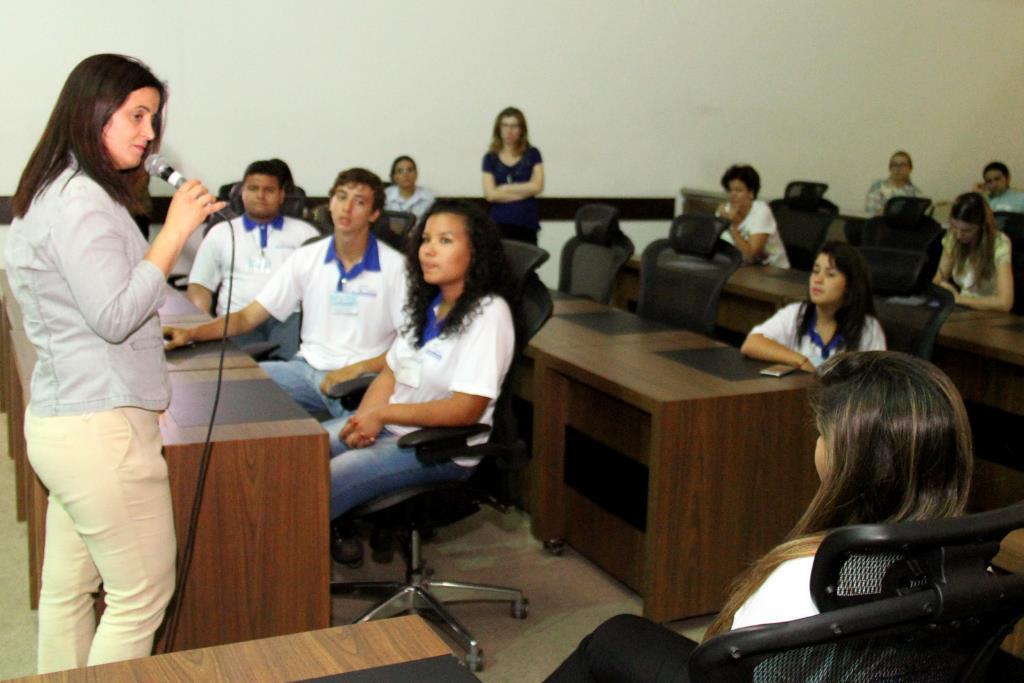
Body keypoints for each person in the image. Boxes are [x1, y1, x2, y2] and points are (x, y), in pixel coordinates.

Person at [545, 351, 973, 682]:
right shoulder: (969, 564)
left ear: (845, 461)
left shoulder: (809, 576)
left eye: (821, 435)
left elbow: (724, 667)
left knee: (612, 639)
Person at [4, 54, 225, 672]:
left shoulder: (55, 191)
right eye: (136, 115)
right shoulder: (81, 203)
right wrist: (175, 232)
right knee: (141, 596)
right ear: (91, 111)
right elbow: (113, 315)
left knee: (69, 593)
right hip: (100, 430)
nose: (149, 133)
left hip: (65, 421)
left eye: (153, 117)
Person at [326, 199, 516, 563]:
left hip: (440, 448)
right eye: (426, 239)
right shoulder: (430, 304)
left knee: (326, 480)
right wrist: (364, 421)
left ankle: (279, 580)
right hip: (393, 428)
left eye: (445, 241)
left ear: (475, 251)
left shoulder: (489, 314)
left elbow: (466, 409)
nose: (428, 250)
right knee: (303, 451)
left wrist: (382, 417)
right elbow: (392, 370)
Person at [164, 168, 407, 437]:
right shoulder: (307, 257)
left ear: (374, 214)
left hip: (362, 380)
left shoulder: (396, 268)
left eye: (359, 202)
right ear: (330, 202)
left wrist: (357, 368)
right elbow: (247, 317)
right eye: (341, 197)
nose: (346, 208)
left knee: (324, 446)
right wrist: (192, 334)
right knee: (227, 393)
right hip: (305, 370)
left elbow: (409, 347)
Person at [186, 159, 318, 359]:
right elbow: (200, 285)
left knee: (284, 374)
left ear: (282, 195)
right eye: (253, 188)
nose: (260, 195)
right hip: (235, 318)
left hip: (287, 319)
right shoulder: (222, 232)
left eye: (269, 190)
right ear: (242, 192)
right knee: (240, 376)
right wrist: (201, 325)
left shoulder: (305, 234)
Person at [741, 241, 885, 370]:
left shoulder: (868, 328)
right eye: (816, 271)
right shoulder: (797, 313)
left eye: (830, 274)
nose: (818, 280)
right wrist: (800, 360)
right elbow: (752, 343)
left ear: (850, 285)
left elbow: (879, 382)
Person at [933, 192, 1014, 312]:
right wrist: (940, 289)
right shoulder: (953, 237)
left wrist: (959, 299)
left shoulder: (999, 243)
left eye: (967, 230)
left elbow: (1004, 303)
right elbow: (939, 278)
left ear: (982, 227)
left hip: (988, 312)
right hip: (963, 309)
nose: (959, 235)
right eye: (954, 227)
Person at [481, 106, 545, 244]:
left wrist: (504, 189)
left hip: (526, 223)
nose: (509, 131)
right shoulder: (490, 158)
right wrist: (525, 191)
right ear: (498, 129)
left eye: (514, 126)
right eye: (505, 125)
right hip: (499, 223)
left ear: (521, 129)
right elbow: (490, 195)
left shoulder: (533, 154)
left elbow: (538, 186)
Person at [716, 164, 790, 268]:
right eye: (729, 190)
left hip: (774, 272)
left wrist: (731, 226)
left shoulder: (761, 212)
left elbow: (750, 255)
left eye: (738, 190)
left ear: (751, 192)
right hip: (742, 268)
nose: (732, 195)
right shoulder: (725, 211)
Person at [865, 150, 922, 216]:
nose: (898, 168)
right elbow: (871, 211)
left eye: (903, 165)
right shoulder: (877, 187)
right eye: (894, 165)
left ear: (910, 169)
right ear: (890, 168)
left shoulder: (916, 194)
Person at [383, 155, 435, 219]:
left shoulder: (429, 197)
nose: (405, 175)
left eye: (410, 170)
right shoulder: (385, 196)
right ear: (394, 176)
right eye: (400, 171)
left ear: (416, 174)